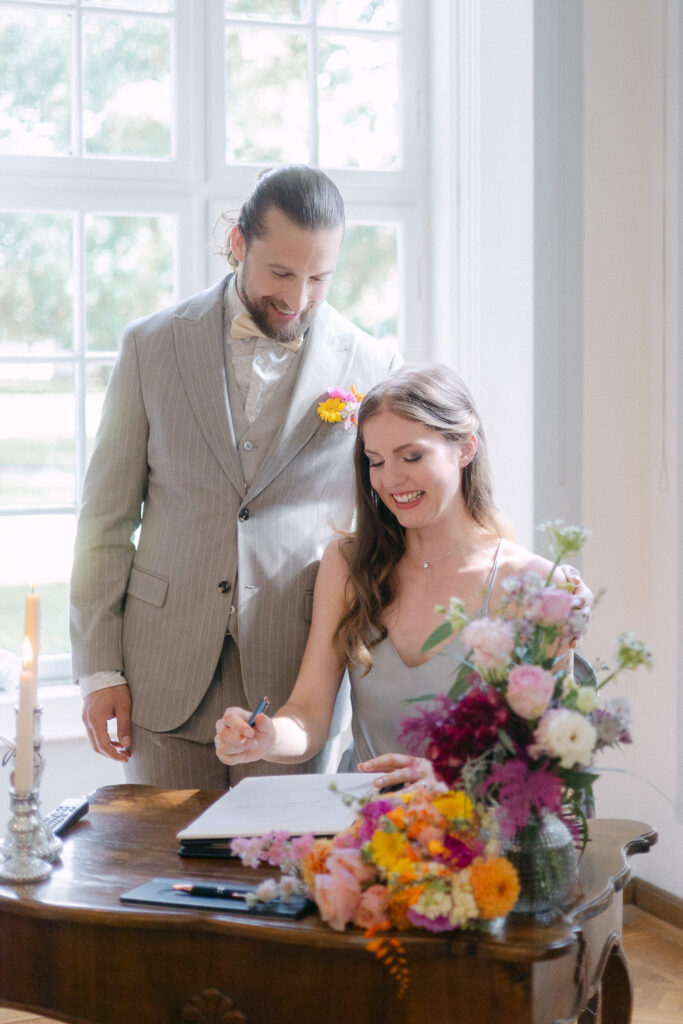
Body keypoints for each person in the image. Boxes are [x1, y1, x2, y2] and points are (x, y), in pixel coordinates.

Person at [70, 164, 401, 789]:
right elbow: (104, 523)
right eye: (280, 273)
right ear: (239, 244)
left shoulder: (373, 362)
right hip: (162, 676)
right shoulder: (152, 345)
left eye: (319, 278)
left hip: (295, 684)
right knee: (161, 874)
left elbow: (392, 512)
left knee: (282, 878)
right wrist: (100, 670)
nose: (297, 299)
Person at [215, 364, 586, 790]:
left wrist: (453, 779)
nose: (390, 479)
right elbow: (309, 713)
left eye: (412, 456)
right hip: (361, 828)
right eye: (375, 461)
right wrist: (266, 738)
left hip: (476, 831)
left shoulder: (533, 581)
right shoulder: (348, 563)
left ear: (465, 448)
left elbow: (554, 752)